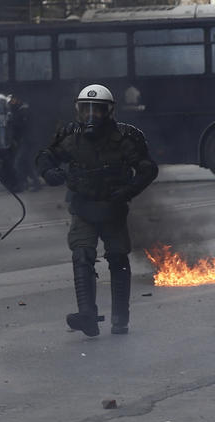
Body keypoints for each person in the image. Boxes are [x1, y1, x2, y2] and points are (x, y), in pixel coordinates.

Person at [35, 84, 158, 337]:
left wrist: (128, 190)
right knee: (81, 255)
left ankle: (120, 318)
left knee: (118, 259)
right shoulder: (70, 136)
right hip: (83, 206)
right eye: (86, 109)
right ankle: (87, 315)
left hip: (112, 208)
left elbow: (147, 168)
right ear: (78, 111)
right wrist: (50, 173)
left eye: (98, 110)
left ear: (109, 111)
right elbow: (45, 156)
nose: (92, 115)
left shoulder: (124, 138)